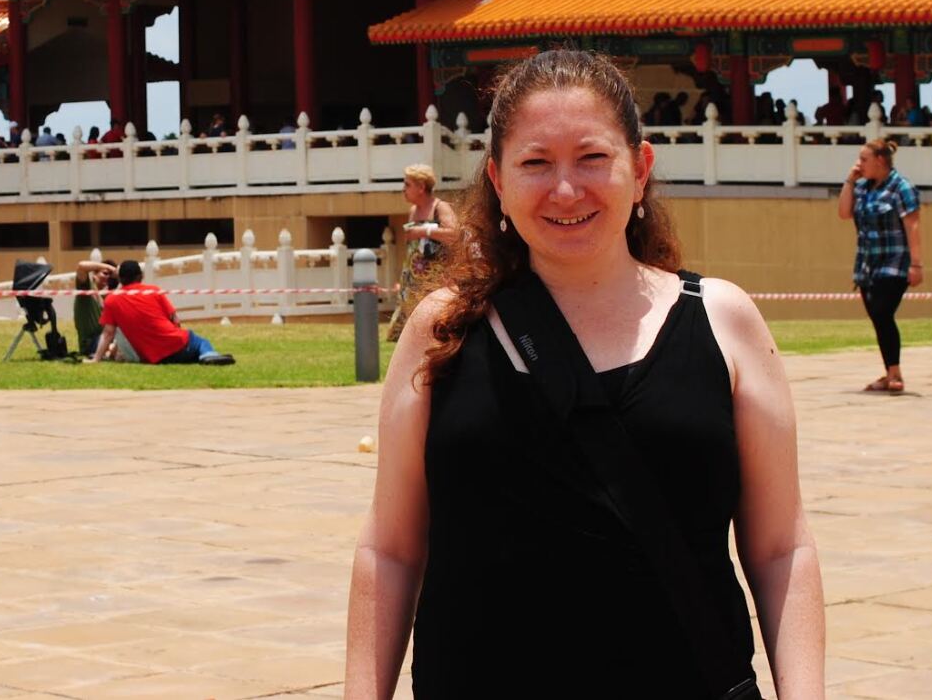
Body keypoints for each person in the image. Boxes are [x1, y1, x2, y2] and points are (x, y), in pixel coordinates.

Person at [347, 50, 821, 698]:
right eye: (536, 163)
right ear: (499, 179)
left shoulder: (722, 322)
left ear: (641, 167)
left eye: (592, 157)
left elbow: (780, 546)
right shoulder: (444, 331)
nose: (565, 189)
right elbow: (392, 548)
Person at [839, 138, 925, 394]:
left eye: (864, 159)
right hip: (867, 262)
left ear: (880, 160)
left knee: (882, 312)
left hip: (895, 261)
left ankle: (895, 372)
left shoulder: (902, 187)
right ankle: (890, 371)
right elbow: (844, 212)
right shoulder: (863, 188)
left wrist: (917, 264)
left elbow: (913, 226)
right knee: (878, 318)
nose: (859, 164)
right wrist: (850, 180)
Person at [90, 259, 233, 365]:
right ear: (140, 276)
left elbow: (108, 333)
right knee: (198, 341)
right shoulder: (153, 291)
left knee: (189, 349)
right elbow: (175, 320)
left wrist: (96, 358)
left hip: (152, 357)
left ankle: (204, 356)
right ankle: (208, 354)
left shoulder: (111, 300)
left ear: (120, 279)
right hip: (177, 345)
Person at [385, 164, 460, 342]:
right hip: (413, 280)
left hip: (435, 281)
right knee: (411, 332)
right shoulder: (413, 211)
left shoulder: (440, 208)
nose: (403, 189)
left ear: (421, 187)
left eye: (407, 184)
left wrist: (425, 231)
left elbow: (455, 234)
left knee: (434, 328)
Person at [72, 261, 106, 357]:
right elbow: (82, 266)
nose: (107, 277)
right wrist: (110, 268)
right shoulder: (86, 290)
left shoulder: (104, 295)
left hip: (103, 339)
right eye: (105, 273)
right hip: (91, 343)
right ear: (94, 274)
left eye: (110, 275)